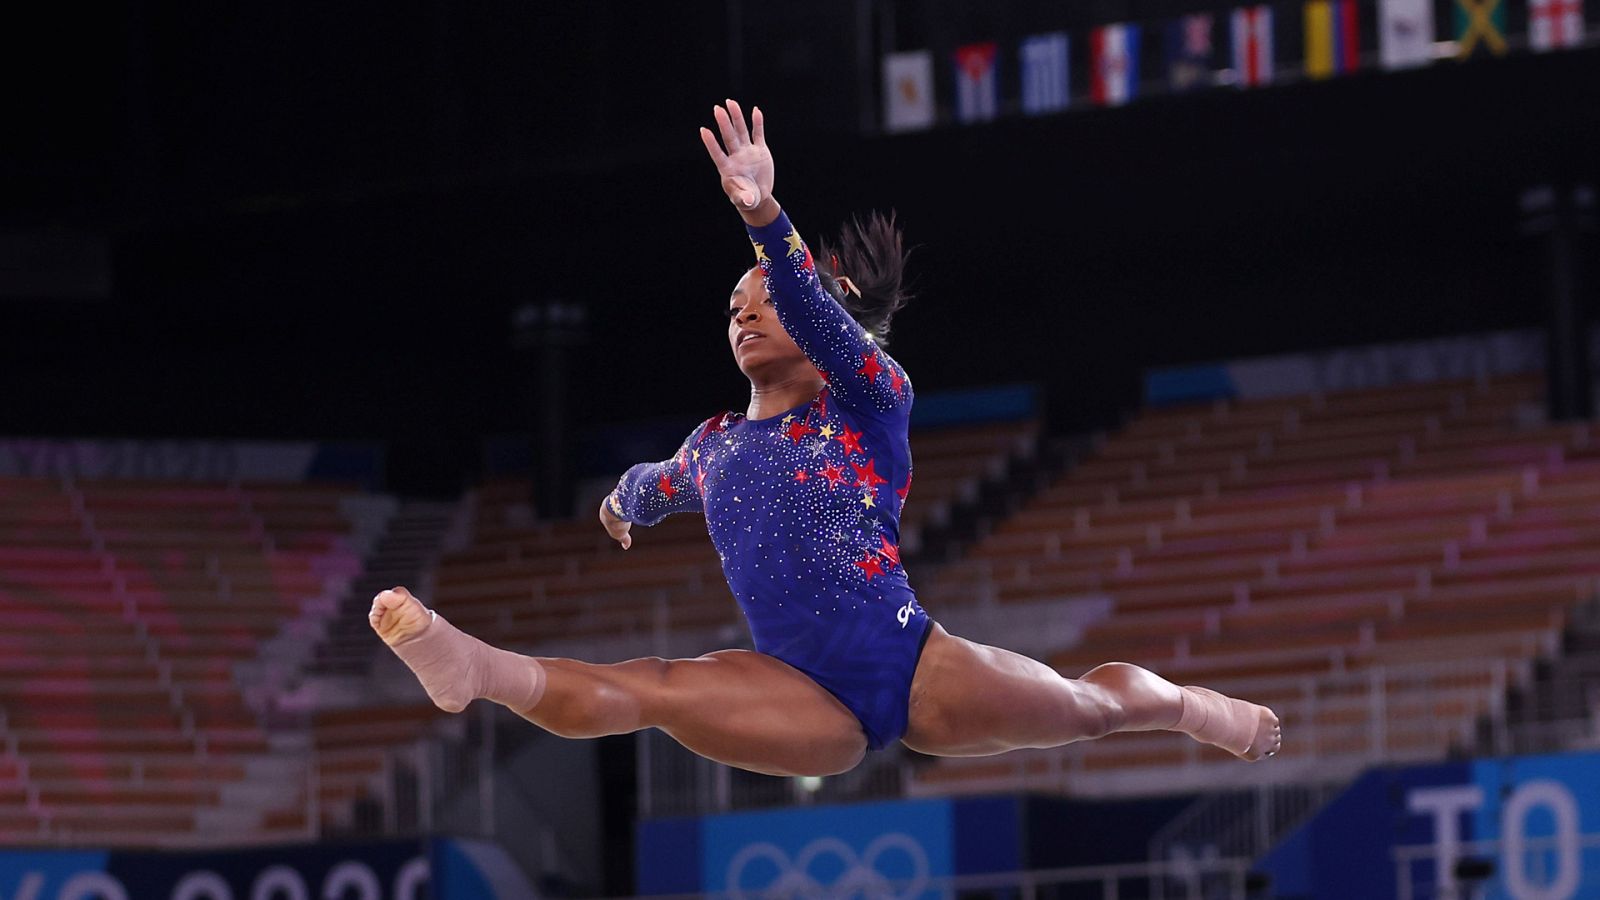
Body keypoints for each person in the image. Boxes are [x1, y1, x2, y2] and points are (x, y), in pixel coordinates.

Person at [369, 100, 1281, 778]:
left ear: (830, 324)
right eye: (735, 307)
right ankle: (475, 669)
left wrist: (765, 218)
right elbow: (663, 478)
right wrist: (621, 500)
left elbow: (805, 294)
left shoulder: (872, 400)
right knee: (654, 686)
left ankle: (1194, 708)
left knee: (1087, 710)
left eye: (763, 300)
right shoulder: (719, 442)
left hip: (916, 667)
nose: (745, 313)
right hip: (793, 689)